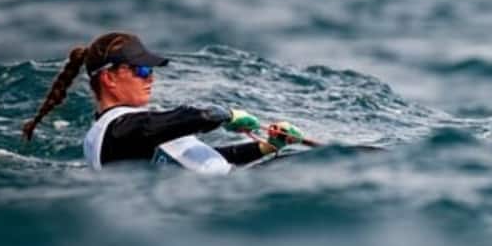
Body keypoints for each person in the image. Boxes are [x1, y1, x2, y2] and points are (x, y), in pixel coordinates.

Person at [21, 32, 306, 173]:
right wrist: (226, 114)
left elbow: (203, 158)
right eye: (141, 70)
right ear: (109, 78)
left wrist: (267, 147)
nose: (150, 78)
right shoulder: (119, 130)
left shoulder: (130, 131)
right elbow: (193, 117)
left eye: (151, 70)